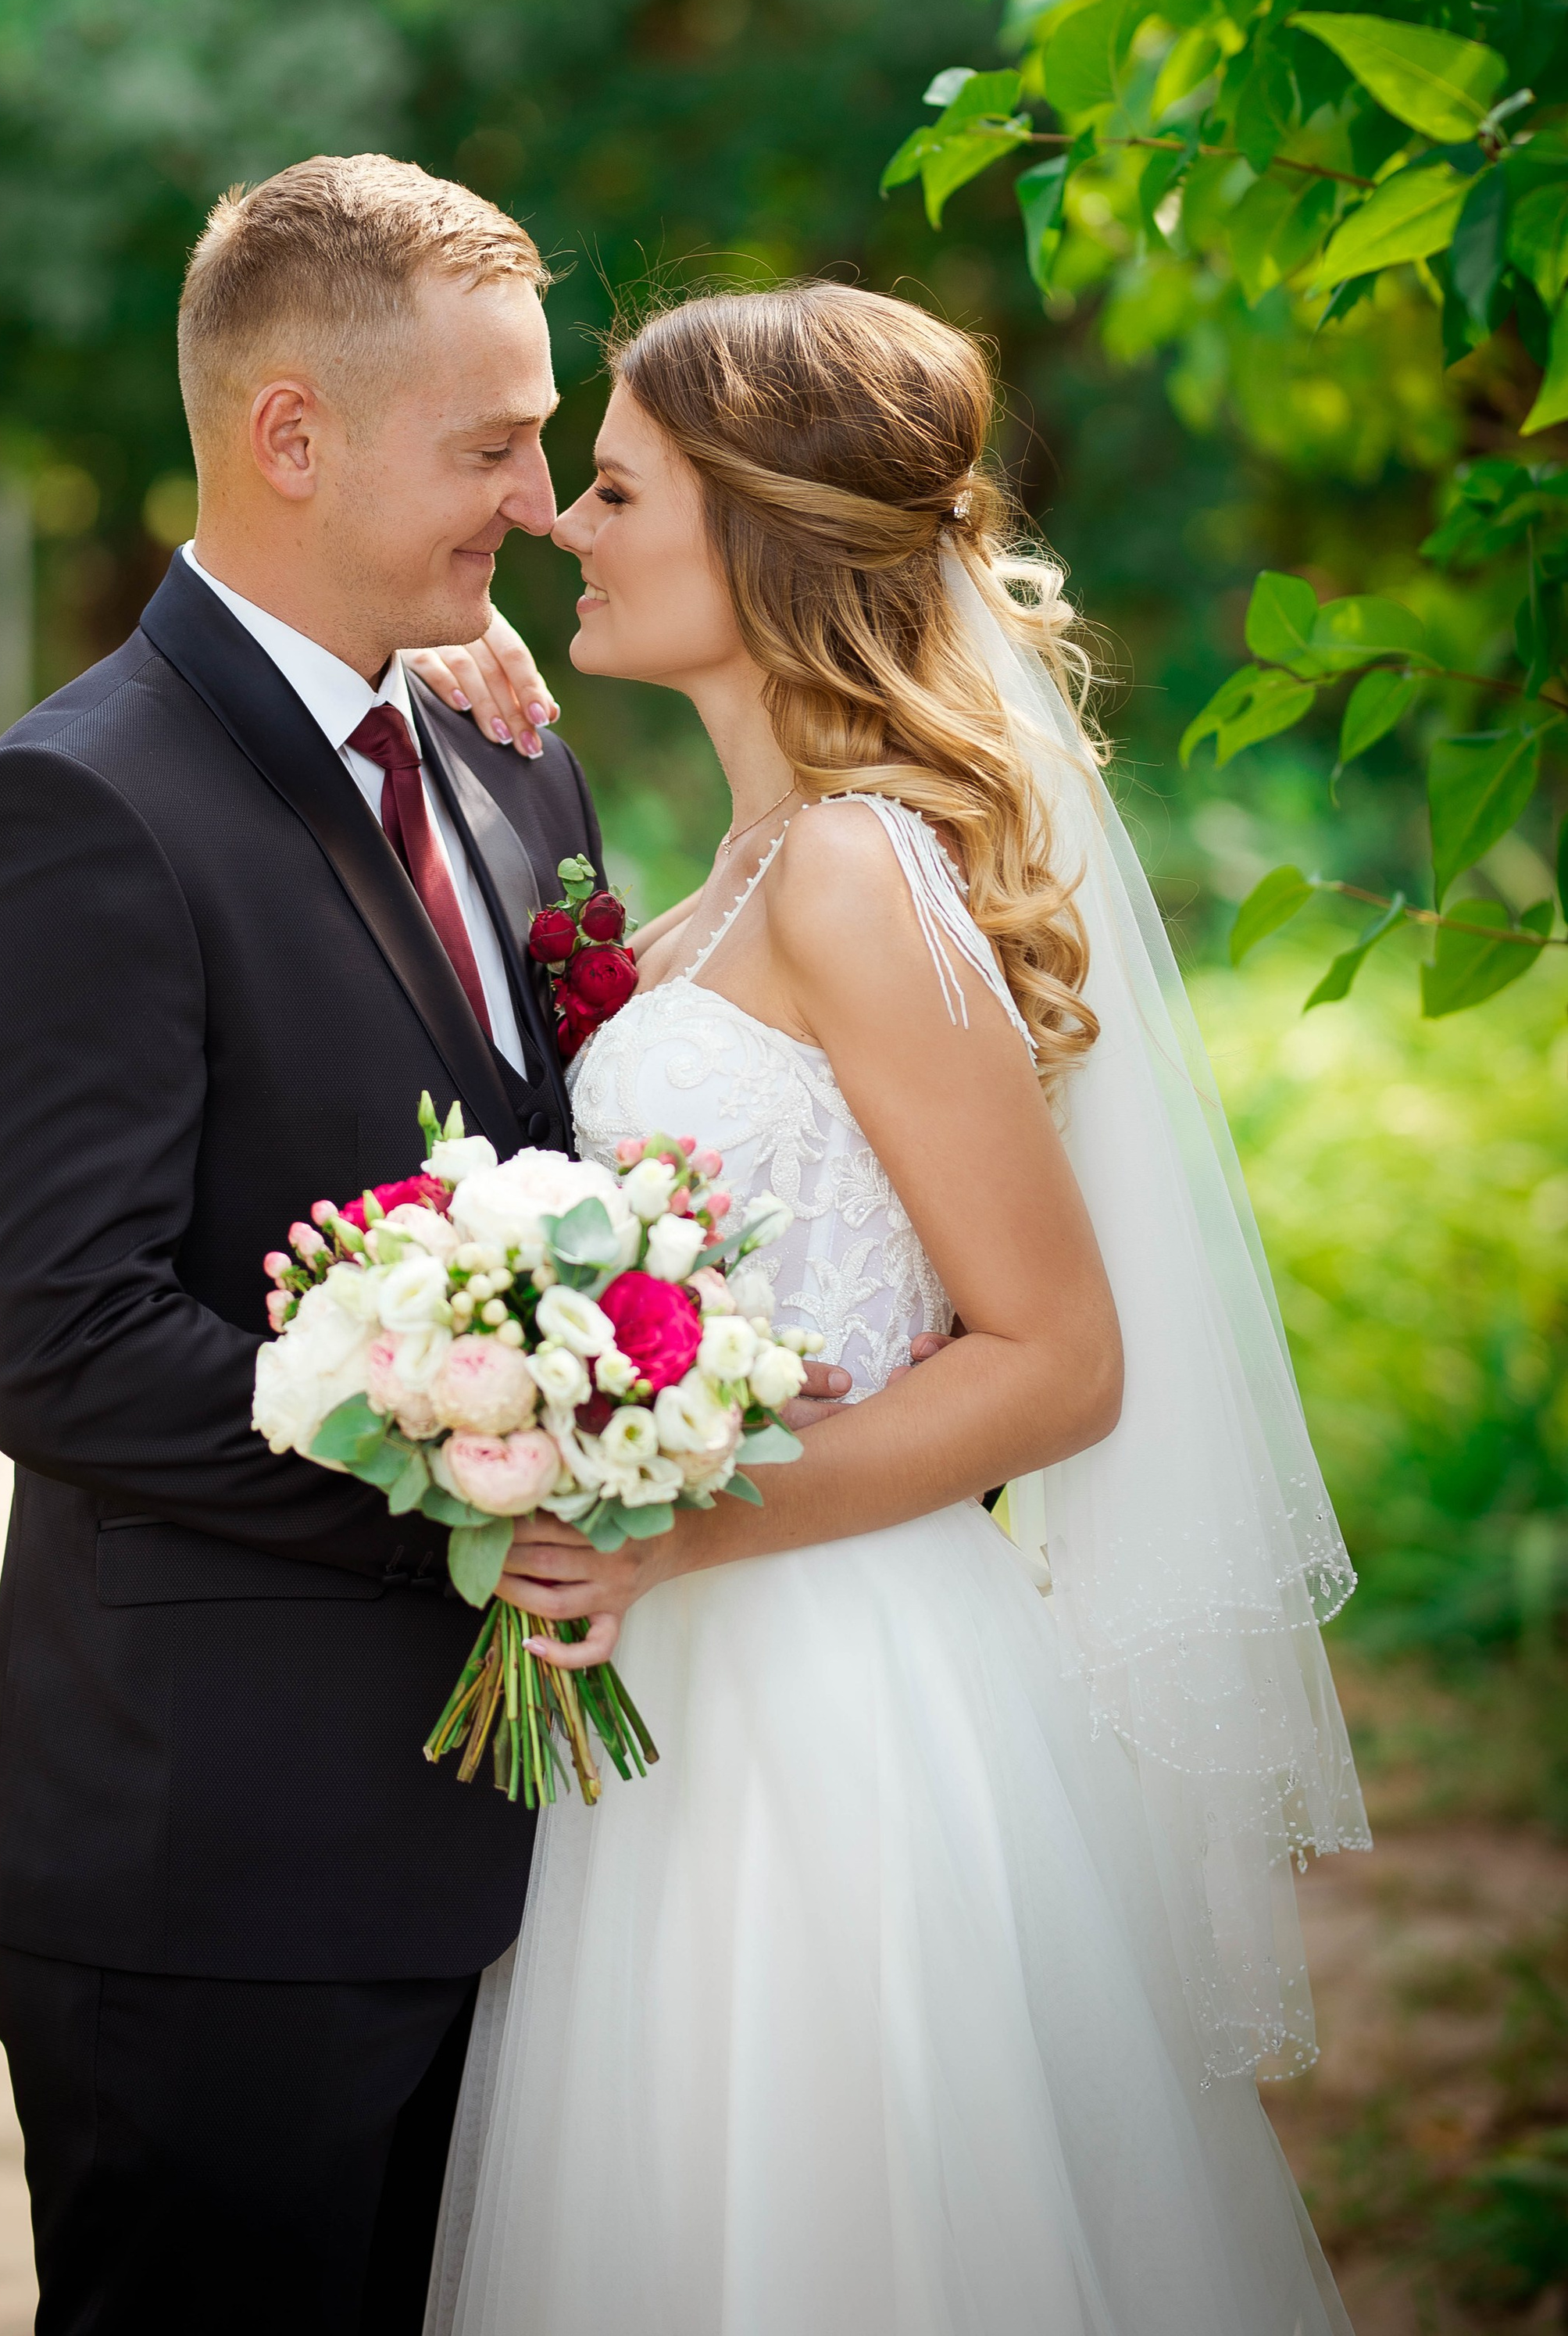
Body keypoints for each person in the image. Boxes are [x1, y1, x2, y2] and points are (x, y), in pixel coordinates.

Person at [406, 282, 1369, 2336]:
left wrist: (683, 1519)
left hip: (827, 1689)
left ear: (759, 532)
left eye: (614, 485)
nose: (570, 523)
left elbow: (1060, 1356)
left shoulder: (851, 870)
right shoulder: (752, 870)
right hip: (694, 1690)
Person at [0, 155, 655, 2335]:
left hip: (537, 1870)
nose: (535, 496)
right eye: (492, 442)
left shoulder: (515, 766)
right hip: (215, 1870)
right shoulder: (75, 810)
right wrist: (476, 1481)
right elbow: (63, 1339)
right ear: (292, 436)